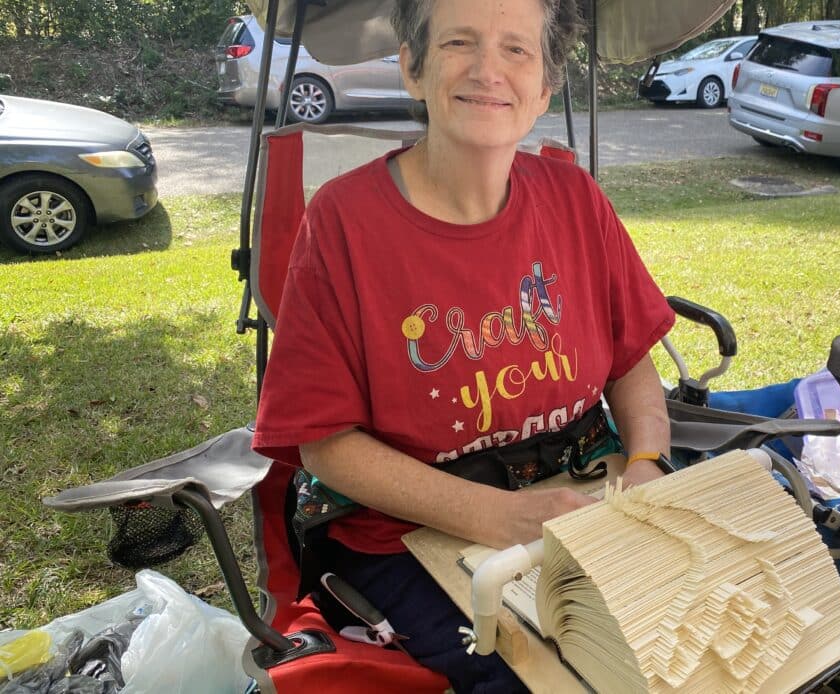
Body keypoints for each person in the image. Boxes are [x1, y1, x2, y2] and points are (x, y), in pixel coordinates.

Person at [252, 0, 676, 689]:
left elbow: (631, 362)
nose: (487, 70)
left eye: (516, 49)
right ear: (412, 69)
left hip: (587, 493)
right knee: (557, 676)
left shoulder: (575, 197)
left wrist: (650, 462)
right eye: (458, 43)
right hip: (409, 537)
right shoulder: (343, 222)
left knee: (690, 630)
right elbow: (323, 445)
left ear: (545, 87)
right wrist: (501, 516)